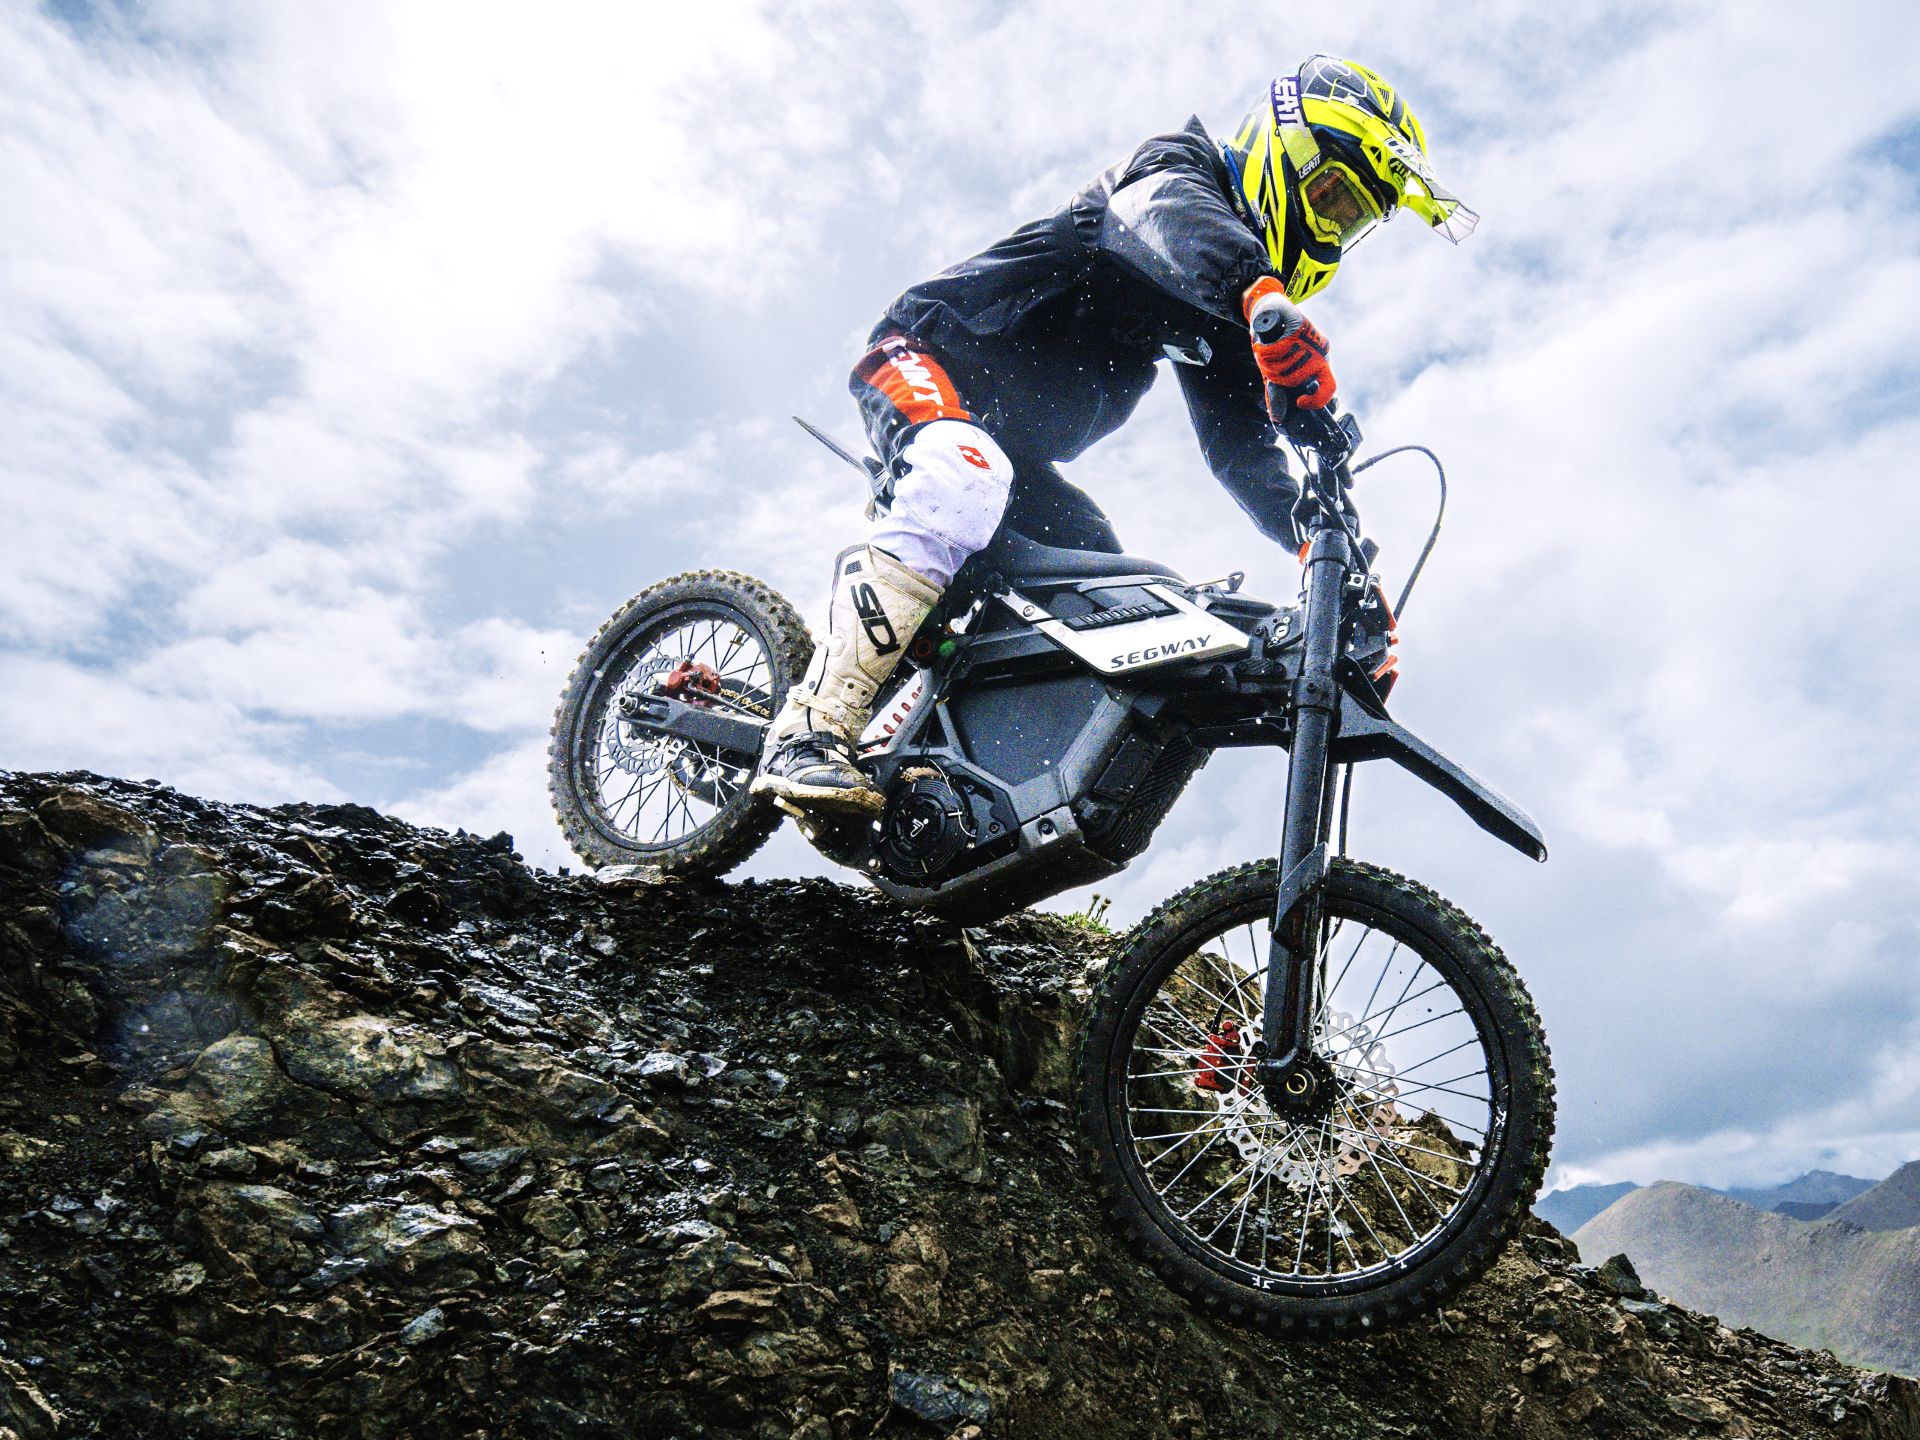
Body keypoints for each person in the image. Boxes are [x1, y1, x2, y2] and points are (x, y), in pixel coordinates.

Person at [753, 55, 1477, 815]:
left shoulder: (1224, 313)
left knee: (1119, 605)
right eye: (1331, 198)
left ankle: (948, 786)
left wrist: (1326, 553)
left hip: (1015, 460)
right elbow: (1170, 215)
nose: (1332, 228)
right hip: (926, 354)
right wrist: (1260, 291)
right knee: (962, 473)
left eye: (1351, 219)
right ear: (1284, 150)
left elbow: (1241, 453)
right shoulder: (1173, 171)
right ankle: (807, 733)